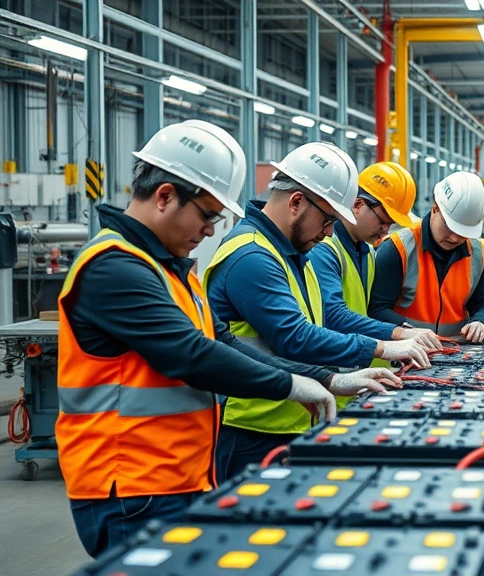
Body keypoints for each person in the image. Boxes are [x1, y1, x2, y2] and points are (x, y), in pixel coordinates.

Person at [55, 121, 374, 558]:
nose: (210, 230)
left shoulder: (169, 270)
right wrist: (292, 386)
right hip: (130, 485)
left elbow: (224, 343)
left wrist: (325, 379)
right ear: (164, 196)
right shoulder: (113, 268)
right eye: (207, 215)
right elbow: (192, 356)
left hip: (176, 476)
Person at [204, 143, 425, 482]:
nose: (329, 233)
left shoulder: (293, 254)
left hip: (292, 414)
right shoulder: (252, 256)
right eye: (328, 220)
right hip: (252, 427)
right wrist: (382, 347)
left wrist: (331, 379)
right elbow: (295, 336)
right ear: (296, 203)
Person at [308, 161, 443, 360]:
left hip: (362, 367)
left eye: (391, 224)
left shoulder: (369, 253)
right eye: (382, 221)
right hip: (335, 367)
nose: (386, 230)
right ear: (358, 205)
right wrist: (400, 333)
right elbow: (333, 315)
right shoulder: (325, 250)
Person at [370, 171, 484, 342]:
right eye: (449, 227)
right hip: (404, 350)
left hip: (457, 351)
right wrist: (409, 331)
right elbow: (377, 309)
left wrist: (481, 321)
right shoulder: (398, 248)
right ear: (435, 209)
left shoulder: (479, 252)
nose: (455, 238)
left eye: (463, 232)